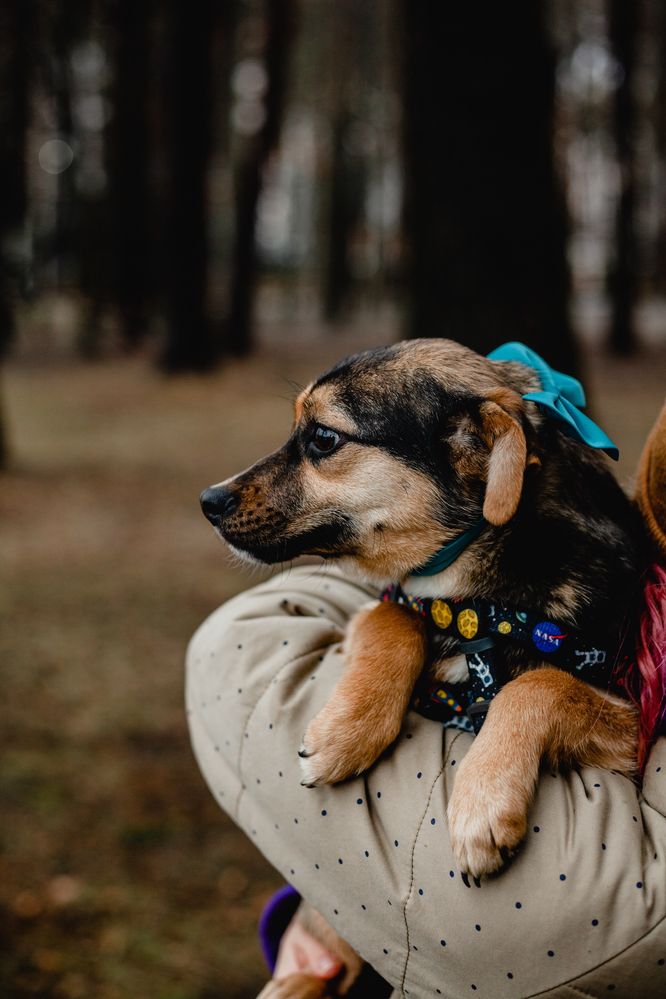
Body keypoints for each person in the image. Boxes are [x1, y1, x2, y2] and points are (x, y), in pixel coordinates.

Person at [186, 401, 666, 999]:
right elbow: (397, 599)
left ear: (484, 456)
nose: (233, 488)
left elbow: (636, 727)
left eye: (324, 442)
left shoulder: (603, 587)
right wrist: (331, 905)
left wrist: (533, 705)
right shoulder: (430, 571)